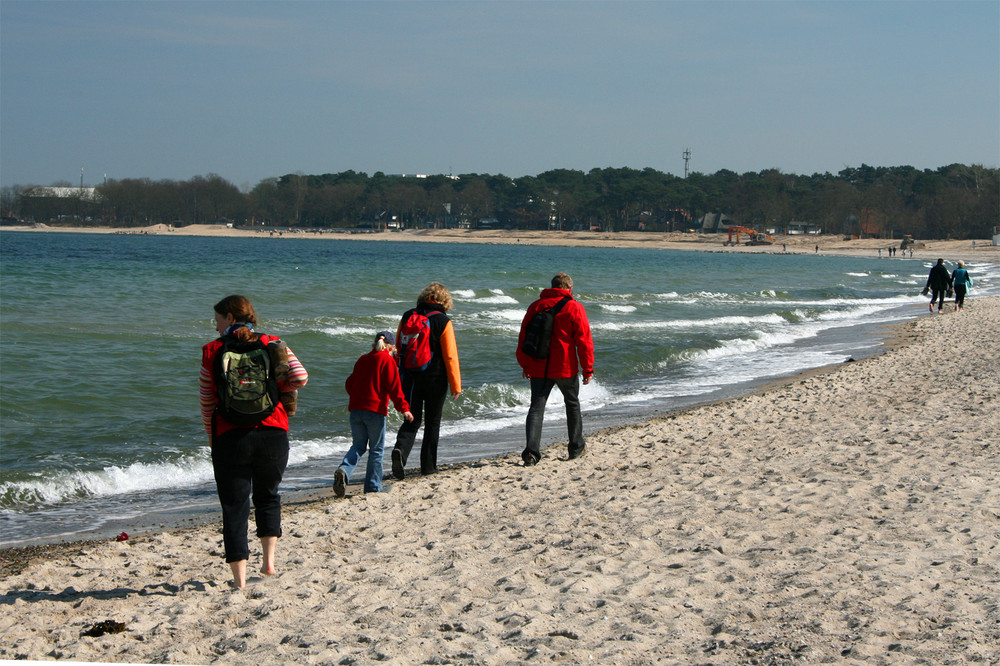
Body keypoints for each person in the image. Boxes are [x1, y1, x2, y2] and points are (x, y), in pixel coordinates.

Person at [200, 295, 308, 589]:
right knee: (268, 495)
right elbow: (300, 376)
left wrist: (213, 439)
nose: (215, 325)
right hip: (273, 433)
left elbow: (207, 401)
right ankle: (269, 563)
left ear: (230, 319)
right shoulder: (273, 342)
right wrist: (278, 388)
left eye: (218, 319)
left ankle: (239, 579)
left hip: (230, 436)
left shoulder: (212, 350)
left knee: (234, 506)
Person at [516, 272, 595, 466]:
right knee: (572, 404)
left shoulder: (535, 306)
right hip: (564, 367)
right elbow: (583, 340)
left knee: (536, 408)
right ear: (569, 288)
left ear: (551, 287)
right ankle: (575, 448)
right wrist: (588, 368)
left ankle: (531, 453)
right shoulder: (574, 307)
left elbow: (524, 337)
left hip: (538, 366)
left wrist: (525, 363)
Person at [391, 282, 462, 478]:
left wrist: (398, 375)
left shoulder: (408, 315)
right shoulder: (443, 321)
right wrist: (456, 384)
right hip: (436, 379)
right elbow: (450, 356)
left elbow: (399, 346)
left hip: (411, 377)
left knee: (412, 418)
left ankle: (400, 451)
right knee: (432, 422)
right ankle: (428, 467)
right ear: (445, 301)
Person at [334, 331, 413, 496]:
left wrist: (358, 397)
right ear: (391, 347)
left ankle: (344, 470)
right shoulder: (387, 361)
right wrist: (404, 408)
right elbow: (395, 388)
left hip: (356, 410)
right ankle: (373, 486)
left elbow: (350, 384)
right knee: (376, 450)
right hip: (375, 411)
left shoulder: (363, 359)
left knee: (357, 446)